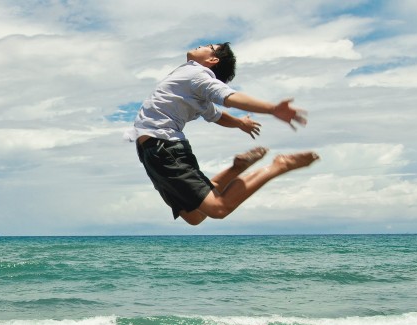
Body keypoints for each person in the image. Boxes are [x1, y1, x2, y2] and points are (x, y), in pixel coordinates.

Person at [127, 42, 320, 225]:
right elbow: (217, 116)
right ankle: (236, 168)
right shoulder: (191, 84)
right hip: (151, 151)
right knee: (194, 216)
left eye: (209, 47)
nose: (201, 45)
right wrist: (239, 123)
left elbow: (228, 96)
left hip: (163, 147)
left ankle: (280, 165)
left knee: (219, 208)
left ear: (213, 60)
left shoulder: (198, 74)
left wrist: (271, 109)